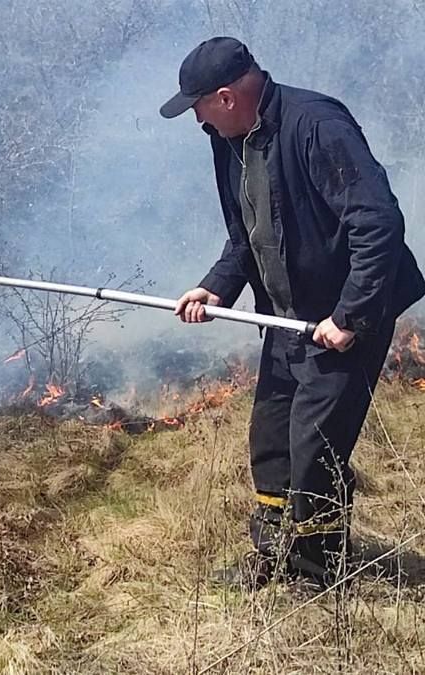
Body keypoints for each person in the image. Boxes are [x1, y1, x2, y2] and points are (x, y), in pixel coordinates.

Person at [161, 37, 425, 589]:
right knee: (272, 439)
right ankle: (272, 553)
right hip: (288, 318)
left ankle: (316, 572)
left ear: (227, 97)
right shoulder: (228, 140)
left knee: (314, 446)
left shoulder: (317, 126)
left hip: (345, 319)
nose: (197, 121)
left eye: (199, 106)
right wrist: (215, 288)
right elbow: (247, 236)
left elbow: (377, 224)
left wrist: (349, 316)